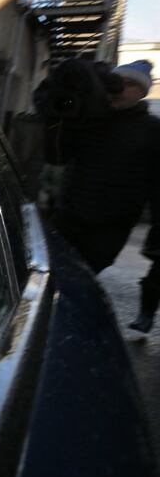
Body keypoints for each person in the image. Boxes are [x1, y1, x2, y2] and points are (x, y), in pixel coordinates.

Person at [37, 59, 160, 331]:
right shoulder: (91, 119)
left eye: (130, 84)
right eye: (117, 82)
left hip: (109, 228)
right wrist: (61, 90)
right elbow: (56, 154)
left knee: (78, 281)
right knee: (51, 279)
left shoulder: (152, 130)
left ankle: (64, 332)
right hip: (67, 217)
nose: (121, 89)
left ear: (143, 92)